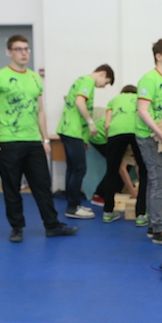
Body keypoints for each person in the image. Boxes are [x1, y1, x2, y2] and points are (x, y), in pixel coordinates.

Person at [0, 34, 77, 243]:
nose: (24, 53)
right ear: (9, 52)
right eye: (18, 49)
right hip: (9, 141)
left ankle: (52, 225)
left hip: (33, 142)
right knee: (11, 187)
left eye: (26, 49)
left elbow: (40, 110)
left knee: (42, 185)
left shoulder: (34, 78)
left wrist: (45, 139)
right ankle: (17, 227)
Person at [57, 64, 114, 219]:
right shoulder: (88, 81)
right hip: (73, 131)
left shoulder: (81, 80)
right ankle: (73, 207)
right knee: (79, 169)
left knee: (72, 168)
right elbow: (80, 102)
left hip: (69, 130)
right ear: (102, 74)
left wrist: (85, 139)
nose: (104, 86)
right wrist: (91, 122)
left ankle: (73, 204)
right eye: (106, 82)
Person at [136, 39, 162, 245]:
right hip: (149, 136)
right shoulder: (148, 79)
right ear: (158, 56)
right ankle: (157, 226)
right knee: (158, 179)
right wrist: (160, 133)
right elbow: (142, 111)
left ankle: (154, 223)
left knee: (159, 180)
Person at [90, 85, 148, 224]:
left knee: (111, 171)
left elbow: (107, 125)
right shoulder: (139, 99)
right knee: (144, 171)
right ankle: (141, 214)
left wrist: (111, 141)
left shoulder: (114, 100)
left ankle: (108, 212)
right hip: (136, 131)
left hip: (115, 133)